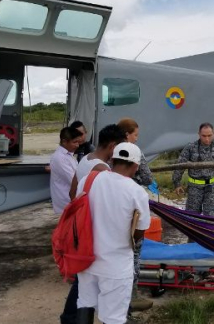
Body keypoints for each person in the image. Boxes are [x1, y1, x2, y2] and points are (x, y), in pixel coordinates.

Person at [76, 143, 151, 324]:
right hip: (115, 266)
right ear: (136, 166)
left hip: (86, 261)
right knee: (114, 317)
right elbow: (140, 231)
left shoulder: (88, 180)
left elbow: (77, 211)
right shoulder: (136, 192)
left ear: (111, 160)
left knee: (85, 304)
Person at [61, 124, 127, 324]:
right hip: (92, 230)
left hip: (80, 227)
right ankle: (73, 317)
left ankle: (71, 317)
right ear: (113, 145)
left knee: (84, 277)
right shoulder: (102, 169)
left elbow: (72, 193)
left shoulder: (85, 160)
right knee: (90, 280)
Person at [117, 118, 155, 314]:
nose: (136, 139)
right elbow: (148, 178)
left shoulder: (110, 152)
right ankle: (130, 301)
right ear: (127, 135)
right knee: (133, 256)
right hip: (131, 208)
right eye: (135, 135)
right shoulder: (134, 153)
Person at [173, 123, 214, 219]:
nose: (207, 139)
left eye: (209, 136)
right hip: (194, 188)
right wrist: (177, 184)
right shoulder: (190, 148)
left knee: (212, 217)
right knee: (192, 217)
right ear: (199, 134)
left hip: (211, 187)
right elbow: (180, 166)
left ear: (213, 134)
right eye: (204, 136)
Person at [49, 126, 82, 214]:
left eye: (78, 142)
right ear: (64, 141)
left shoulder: (69, 155)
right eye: (74, 142)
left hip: (70, 199)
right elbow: (73, 181)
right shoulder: (60, 158)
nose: (77, 145)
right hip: (65, 201)